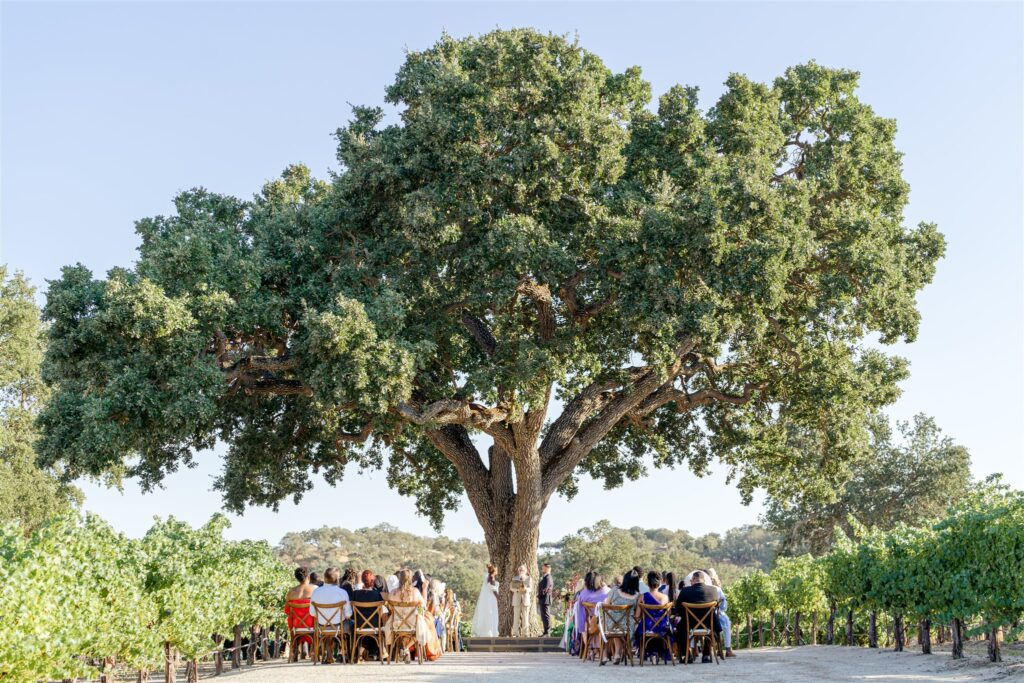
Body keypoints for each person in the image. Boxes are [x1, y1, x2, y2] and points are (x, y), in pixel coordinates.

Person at [387, 568, 442, 662]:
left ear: (399, 579)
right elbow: (423, 607)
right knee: (422, 629)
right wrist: (424, 589)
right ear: (411, 579)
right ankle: (406, 649)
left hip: (396, 625)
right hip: (412, 625)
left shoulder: (393, 593)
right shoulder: (415, 592)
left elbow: (389, 608)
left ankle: (405, 649)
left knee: (406, 632)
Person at [673, 570, 721, 664]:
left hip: (690, 624)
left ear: (693, 579)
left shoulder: (685, 591)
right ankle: (706, 655)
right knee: (712, 621)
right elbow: (716, 607)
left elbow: (678, 609)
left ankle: (687, 655)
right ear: (704, 580)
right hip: (708, 624)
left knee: (680, 627)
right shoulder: (713, 590)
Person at [310, 567, 354, 662]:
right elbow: (348, 614)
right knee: (353, 625)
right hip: (339, 627)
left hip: (321, 627)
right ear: (337, 579)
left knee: (327, 627)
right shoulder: (342, 592)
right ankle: (349, 656)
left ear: (324, 578)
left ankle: (328, 654)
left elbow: (312, 613)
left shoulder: (316, 592)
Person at [602, 569, 641, 665]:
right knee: (620, 625)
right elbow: (637, 615)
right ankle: (617, 654)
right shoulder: (638, 596)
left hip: (611, 625)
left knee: (606, 624)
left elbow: (606, 607)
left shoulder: (614, 590)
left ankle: (604, 654)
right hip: (628, 627)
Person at [636, 570, 673, 664]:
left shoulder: (642, 597)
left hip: (647, 627)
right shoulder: (665, 597)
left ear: (648, 583)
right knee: (669, 628)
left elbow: (637, 616)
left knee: (639, 630)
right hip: (662, 627)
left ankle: (646, 652)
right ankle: (661, 652)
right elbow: (668, 615)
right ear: (660, 583)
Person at [350, 570, 387, 662]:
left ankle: (358, 653)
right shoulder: (377, 595)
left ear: (362, 580)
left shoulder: (355, 594)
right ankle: (381, 651)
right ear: (373, 581)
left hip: (359, 625)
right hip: (375, 625)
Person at [576, 571, 611, 659]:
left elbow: (581, 614)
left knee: (585, 626)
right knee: (599, 620)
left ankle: (589, 649)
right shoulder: (607, 591)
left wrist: (581, 627)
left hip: (591, 625)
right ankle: (604, 651)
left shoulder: (583, 594)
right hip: (608, 624)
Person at [284, 566, 315, 656]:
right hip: (311, 624)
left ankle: (294, 649)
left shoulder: (290, 592)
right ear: (308, 577)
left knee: (291, 620)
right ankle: (313, 648)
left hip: (295, 624)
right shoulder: (313, 591)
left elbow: (287, 611)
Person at [704, 568, 735, 658]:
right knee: (726, 622)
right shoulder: (716, 589)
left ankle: (692, 651)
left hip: (696, 619)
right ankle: (728, 649)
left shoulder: (691, 590)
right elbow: (724, 607)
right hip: (714, 617)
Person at [471, 564, 499, 637]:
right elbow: (492, 589)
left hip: (489, 598)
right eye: (496, 570)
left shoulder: (488, 577)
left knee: (489, 613)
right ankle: (490, 631)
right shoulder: (491, 577)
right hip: (491, 598)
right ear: (494, 571)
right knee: (491, 613)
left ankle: (488, 630)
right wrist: (498, 597)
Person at [510, 564, 533, 637]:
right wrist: (517, 589)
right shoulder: (514, 578)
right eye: (520, 570)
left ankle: (525, 634)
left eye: (522, 570)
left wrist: (525, 589)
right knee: (516, 617)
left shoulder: (529, 578)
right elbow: (511, 588)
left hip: (525, 600)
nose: (521, 571)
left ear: (525, 571)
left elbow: (530, 589)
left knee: (525, 618)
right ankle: (515, 633)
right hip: (517, 600)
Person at [537, 563, 554, 636]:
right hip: (543, 599)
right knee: (543, 616)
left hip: (545, 599)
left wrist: (537, 596)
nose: (542, 569)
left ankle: (547, 632)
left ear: (547, 568)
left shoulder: (548, 577)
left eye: (543, 568)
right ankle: (545, 631)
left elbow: (545, 589)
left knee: (546, 615)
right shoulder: (545, 577)